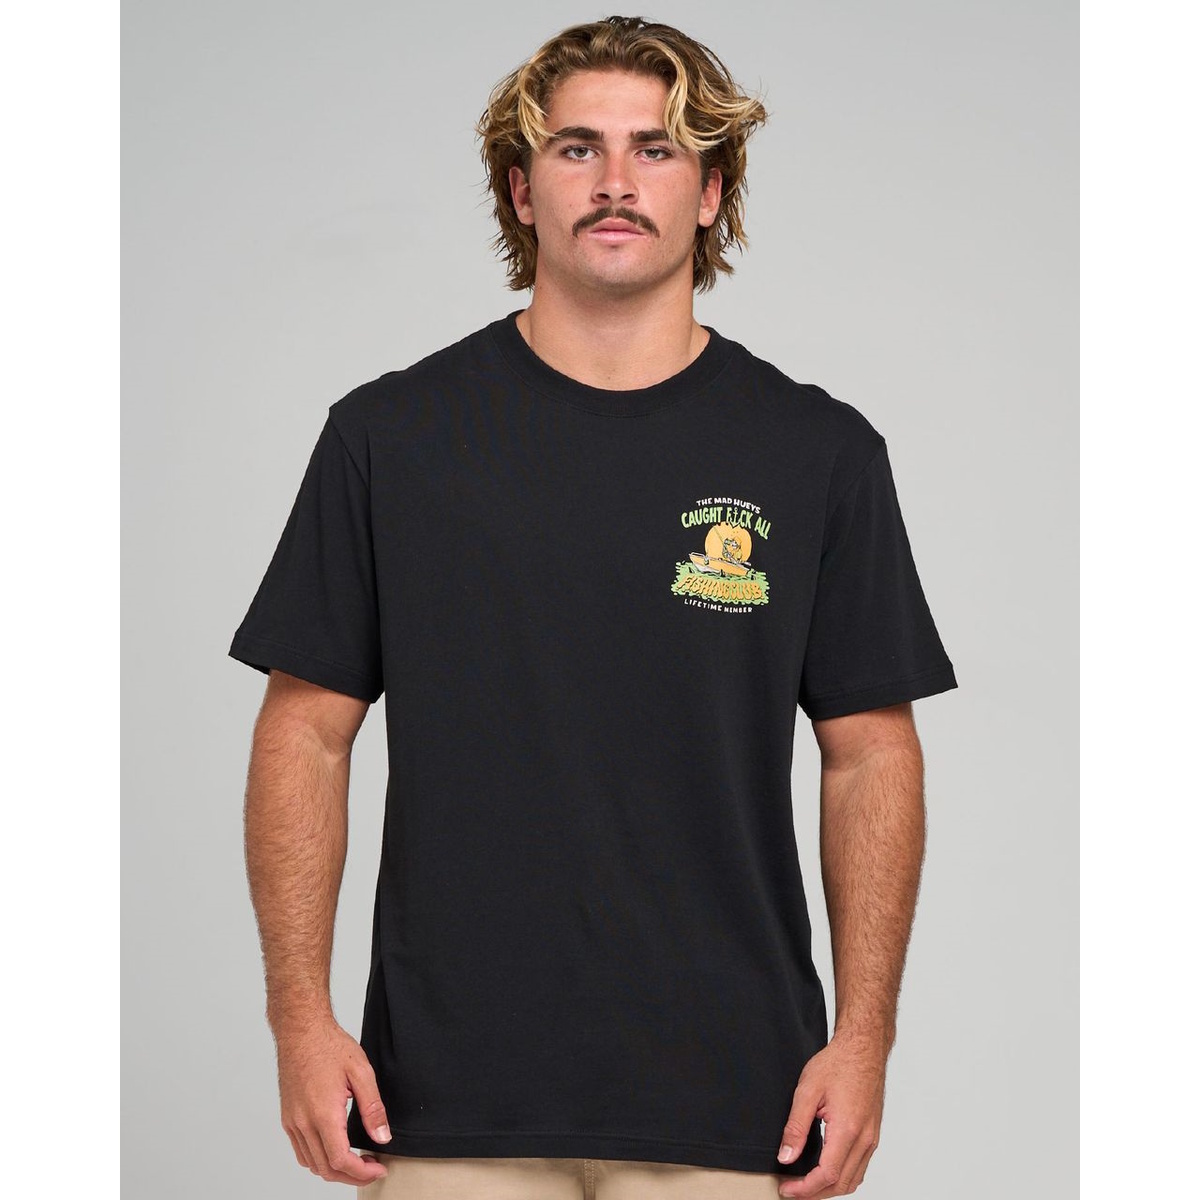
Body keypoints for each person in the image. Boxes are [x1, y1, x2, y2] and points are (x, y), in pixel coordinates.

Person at [229, 15, 958, 1200]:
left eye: (657, 150)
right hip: (447, 1103)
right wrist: (298, 1020)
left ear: (710, 193)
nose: (616, 181)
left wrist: (864, 1040)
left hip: (736, 1102)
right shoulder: (392, 438)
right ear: (521, 190)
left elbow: (871, 755)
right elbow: (304, 732)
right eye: (578, 149)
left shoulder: (816, 451)